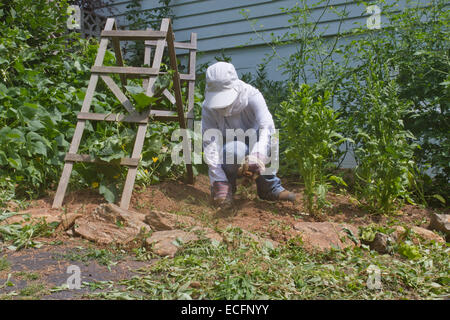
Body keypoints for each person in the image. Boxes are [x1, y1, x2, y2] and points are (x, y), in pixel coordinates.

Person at [201, 61, 296, 208]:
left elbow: (267, 127)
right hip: (232, 145)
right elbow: (210, 145)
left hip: (257, 141)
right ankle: (226, 188)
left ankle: (268, 187)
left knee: (271, 138)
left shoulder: (251, 96)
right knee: (233, 149)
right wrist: (218, 180)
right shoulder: (208, 107)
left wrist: (258, 156)